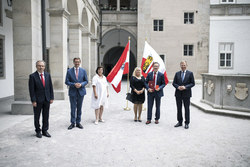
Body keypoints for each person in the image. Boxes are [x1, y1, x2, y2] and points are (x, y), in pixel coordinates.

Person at [29, 60, 54, 138]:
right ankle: (38, 131)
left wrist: (51, 97)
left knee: (46, 115)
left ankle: (45, 130)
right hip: (37, 100)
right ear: (36, 66)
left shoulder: (47, 75)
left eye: (42, 66)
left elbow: (50, 87)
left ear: (44, 67)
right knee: (37, 116)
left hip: (47, 99)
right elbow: (31, 90)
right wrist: (33, 100)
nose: (41, 67)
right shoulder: (32, 76)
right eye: (39, 66)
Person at [65, 57, 88, 130]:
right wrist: (74, 84)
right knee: (72, 108)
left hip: (81, 91)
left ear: (80, 62)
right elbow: (66, 81)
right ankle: (72, 122)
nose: (77, 63)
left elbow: (86, 81)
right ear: (73, 62)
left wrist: (81, 84)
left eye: (78, 62)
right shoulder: (69, 71)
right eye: (75, 62)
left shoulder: (83, 71)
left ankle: (78, 122)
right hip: (72, 91)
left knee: (79, 107)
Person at [173, 60, 195, 129]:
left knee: (186, 108)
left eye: (184, 65)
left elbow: (192, 83)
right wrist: (178, 87)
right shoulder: (177, 73)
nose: (183, 66)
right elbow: (174, 83)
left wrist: (185, 87)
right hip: (178, 94)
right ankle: (179, 122)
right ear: (180, 66)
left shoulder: (190, 73)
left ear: (186, 65)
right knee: (179, 108)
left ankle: (187, 123)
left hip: (186, 94)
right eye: (182, 65)